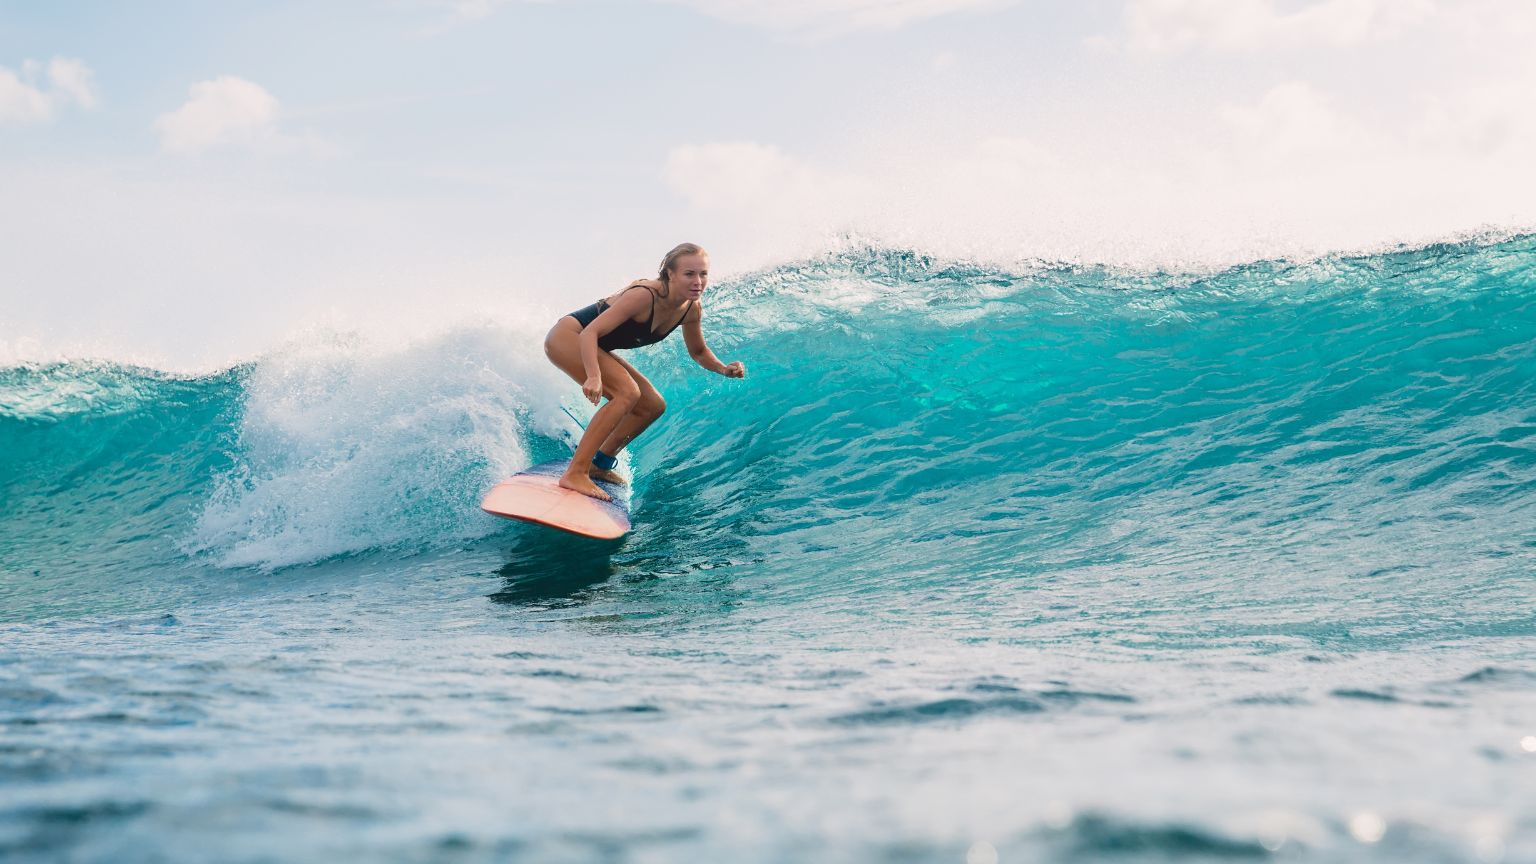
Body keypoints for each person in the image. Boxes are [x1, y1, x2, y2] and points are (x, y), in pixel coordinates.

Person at [544, 243, 745, 501]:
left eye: (703, 274)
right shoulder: (644, 296)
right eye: (689, 274)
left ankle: (599, 463)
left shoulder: (690, 309)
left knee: (652, 405)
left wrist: (723, 369)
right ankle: (576, 472)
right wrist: (594, 376)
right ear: (670, 274)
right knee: (627, 393)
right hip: (569, 337)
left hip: (592, 344)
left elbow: (698, 352)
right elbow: (590, 332)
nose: (698, 281)